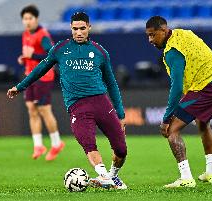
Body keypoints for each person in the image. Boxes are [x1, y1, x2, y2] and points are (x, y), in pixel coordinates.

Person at [8, 12, 127, 190]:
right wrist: (20, 86)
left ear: (89, 28)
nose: (78, 32)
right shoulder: (60, 49)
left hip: (101, 102)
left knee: (121, 149)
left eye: (82, 28)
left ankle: (112, 176)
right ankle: (103, 175)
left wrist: (121, 113)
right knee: (87, 142)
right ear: (71, 29)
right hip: (77, 105)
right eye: (75, 29)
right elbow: (40, 69)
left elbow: (111, 83)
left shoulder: (100, 51)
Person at [145, 16, 212, 188]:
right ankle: (211, 172)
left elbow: (176, 88)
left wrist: (166, 119)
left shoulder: (172, 52)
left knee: (172, 131)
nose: (150, 40)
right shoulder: (184, 33)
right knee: (202, 122)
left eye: (153, 35)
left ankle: (186, 178)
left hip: (207, 86)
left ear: (164, 30)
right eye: (148, 36)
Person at [18, 5, 65, 161]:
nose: (27, 21)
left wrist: (34, 55)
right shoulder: (25, 34)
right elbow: (30, 55)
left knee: (44, 109)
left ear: (36, 19)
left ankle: (56, 143)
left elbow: (51, 56)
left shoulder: (42, 35)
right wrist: (25, 58)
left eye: (30, 18)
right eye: (25, 18)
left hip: (43, 77)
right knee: (31, 109)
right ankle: (38, 145)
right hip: (29, 76)